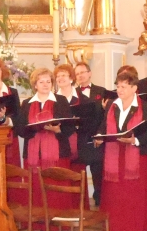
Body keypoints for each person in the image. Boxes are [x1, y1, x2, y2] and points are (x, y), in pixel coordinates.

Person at [94, 71, 147, 231]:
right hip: (114, 155)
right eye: (118, 86)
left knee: (132, 195)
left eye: (124, 87)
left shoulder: (145, 106)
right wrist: (99, 136)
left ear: (134, 88)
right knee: (114, 195)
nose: (119, 90)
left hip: (135, 155)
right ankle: (114, 229)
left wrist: (135, 140)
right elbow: (104, 125)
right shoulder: (112, 104)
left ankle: (131, 230)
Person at [14, 68, 76, 209]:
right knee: (37, 188)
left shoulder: (61, 101)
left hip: (58, 154)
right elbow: (20, 129)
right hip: (34, 155)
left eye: (48, 81)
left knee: (57, 188)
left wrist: (58, 130)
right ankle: (39, 218)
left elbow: (70, 127)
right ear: (35, 85)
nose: (45, 84)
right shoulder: (27, 103)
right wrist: (34, 129)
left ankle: (60, 217)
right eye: (41, 82)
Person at [56, 63, 99, 207]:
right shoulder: (52, 100)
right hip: (59, 144)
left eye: (63, 75)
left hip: (79, 145)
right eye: (58, 76)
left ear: (71, 78)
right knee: (61, 177)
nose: (60, 78)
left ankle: (79, 210)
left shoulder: (85, 100)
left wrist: (77, 125)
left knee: (77, 177)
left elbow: (92, 124)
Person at [75, 61, 107, 205]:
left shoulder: (102, 91)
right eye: (77, 74)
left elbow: (106, 117)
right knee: (77, 172)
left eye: (82, 72)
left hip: (97, 138)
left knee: (98, 173)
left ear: (89, 73)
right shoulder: (72, 93)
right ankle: (80, 204)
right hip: (79, 138)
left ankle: (100, 201)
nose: (80, 76)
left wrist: (100, 134)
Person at [0, 57, 21, 167]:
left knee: (11, 168)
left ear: (2, 71)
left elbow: (18, 116)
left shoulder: (12, 91)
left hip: (9, 135)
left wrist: (7, 120)